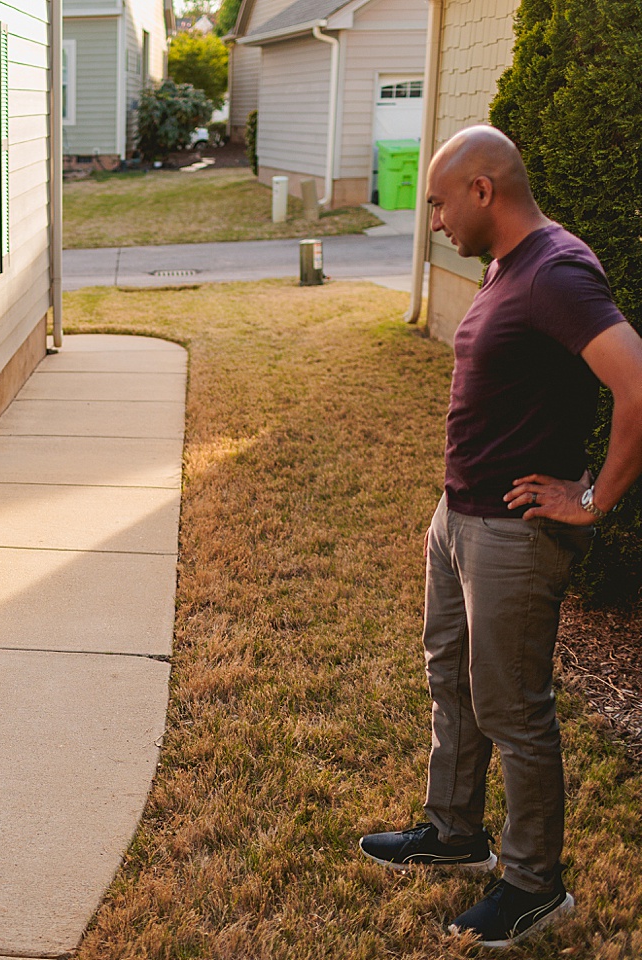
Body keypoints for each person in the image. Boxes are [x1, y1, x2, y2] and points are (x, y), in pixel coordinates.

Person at [358, 126, 642, 948]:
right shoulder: (507, 264)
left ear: (483, 190)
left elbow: (636, 381)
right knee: (452, 680)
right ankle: (454, 833)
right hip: (460, 516)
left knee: (513, 710)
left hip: (513, 536)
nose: (434, 220)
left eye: (440, 203)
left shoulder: (556, 270)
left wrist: (592, 497)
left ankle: (533, 883)